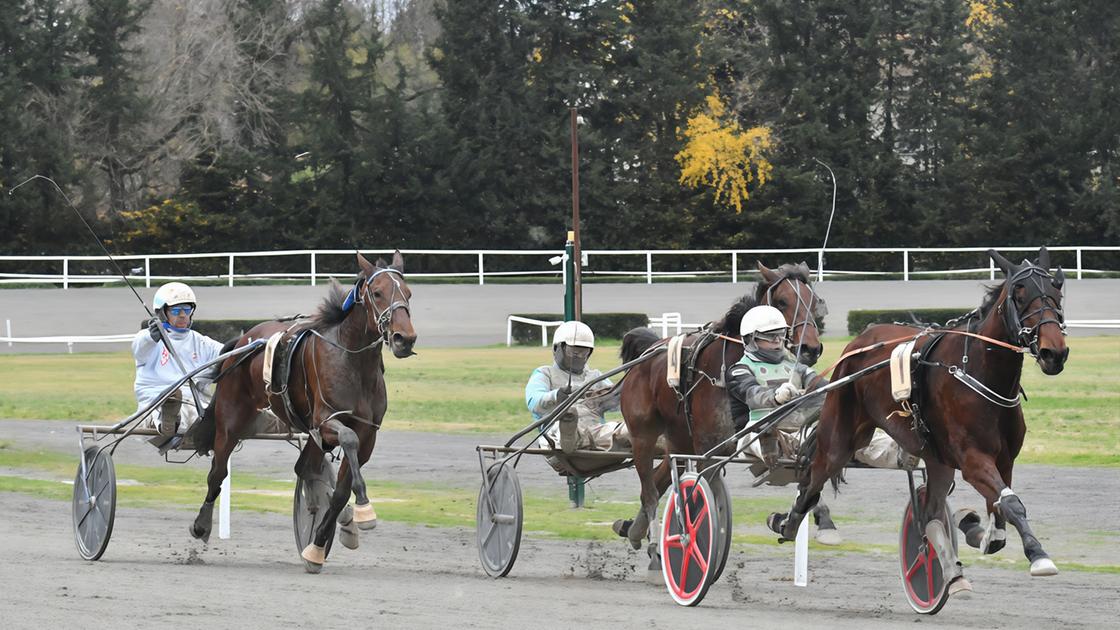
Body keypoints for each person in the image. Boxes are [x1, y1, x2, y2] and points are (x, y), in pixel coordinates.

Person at [726, 305, 844, 544]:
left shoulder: (797, 368)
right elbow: (753, 394)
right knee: (761, 434)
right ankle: (771, 444)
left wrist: (841, 390)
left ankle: (892, 451)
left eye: (781, 334)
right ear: (750, 340)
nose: (779, 341)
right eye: (770, 337)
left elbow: (824, 389)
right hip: (755, 430)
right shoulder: (739, 369)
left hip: (799, 432)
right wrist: (777, 396)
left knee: (834, 434)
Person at [132, 282, 223, 443]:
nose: (182, 315)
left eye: (186, 310)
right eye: (175, 310)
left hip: (195, 401)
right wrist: (151, 337)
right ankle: (169, 418)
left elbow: (227, 354)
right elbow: (140, 349)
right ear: (162, 313)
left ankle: (268, 419)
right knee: (180, 408)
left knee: (209, 411)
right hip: (155, 402)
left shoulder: (202, 342)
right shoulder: (147, 338)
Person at [525, 321, 626, 454]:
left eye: (584, 353)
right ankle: (569, 431)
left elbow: (619, 402)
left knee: (624, 430)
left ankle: (657, 440)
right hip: (554, 438)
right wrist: (557, 395)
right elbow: (534, 402)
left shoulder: (595, 376)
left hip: (594, 433)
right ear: (557, 349)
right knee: (563, 421)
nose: (580, 357)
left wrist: (620, 392)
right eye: (574, 352)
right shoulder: (545, 373)